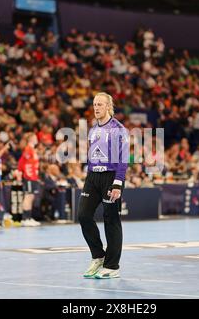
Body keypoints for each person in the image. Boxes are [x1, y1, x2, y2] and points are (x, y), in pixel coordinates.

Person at [78, 92, 129, 279]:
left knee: (111, 219)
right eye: (94, 104)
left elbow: (123, 160)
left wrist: (117, 183)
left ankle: (112, 266)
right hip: (93, 177)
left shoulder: (118, 129)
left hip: (111, 178)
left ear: (108, 106)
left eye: (100, 104)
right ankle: (98, 255)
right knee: (83, 215)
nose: (96, 108)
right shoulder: (93, 130)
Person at [17, 133, 41, 227]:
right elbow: (22, 162)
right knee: (28, 196)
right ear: (30, 139)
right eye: (35, 137)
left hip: (34, 176)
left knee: (31, 197)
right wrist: (20, 172)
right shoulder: (28, 149)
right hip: (29, 176)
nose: (36, 139)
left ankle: (29, 217)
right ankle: (25, 218)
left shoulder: (32, 150)